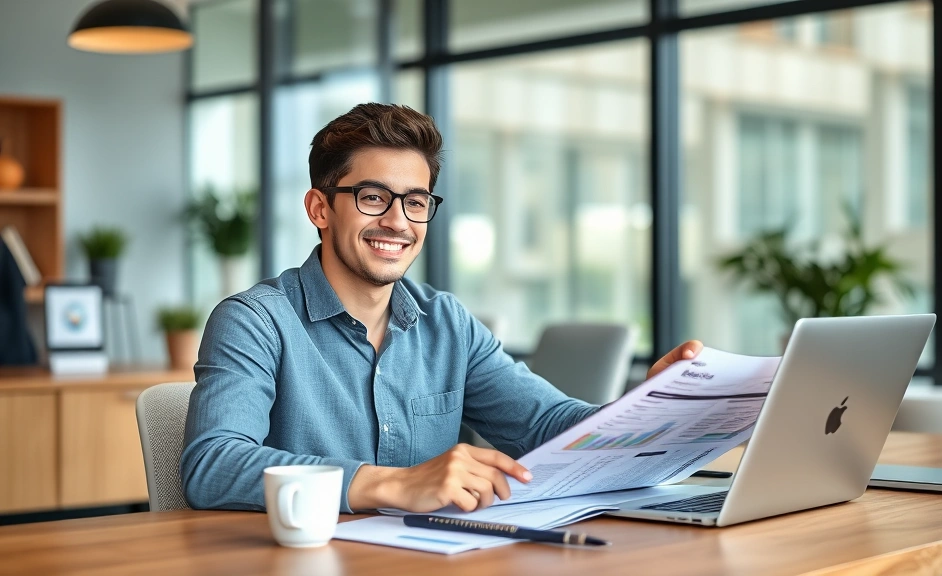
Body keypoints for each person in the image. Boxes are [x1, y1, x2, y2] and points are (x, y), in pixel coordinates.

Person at [180, 103, 703, 515]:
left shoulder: (447, 322)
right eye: (371, 197)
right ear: (320, 208)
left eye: (415, 201)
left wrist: (650, 406)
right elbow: (214, 463)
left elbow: (546, 424)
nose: (398, 222)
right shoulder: (254, 320)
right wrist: (396, 484)